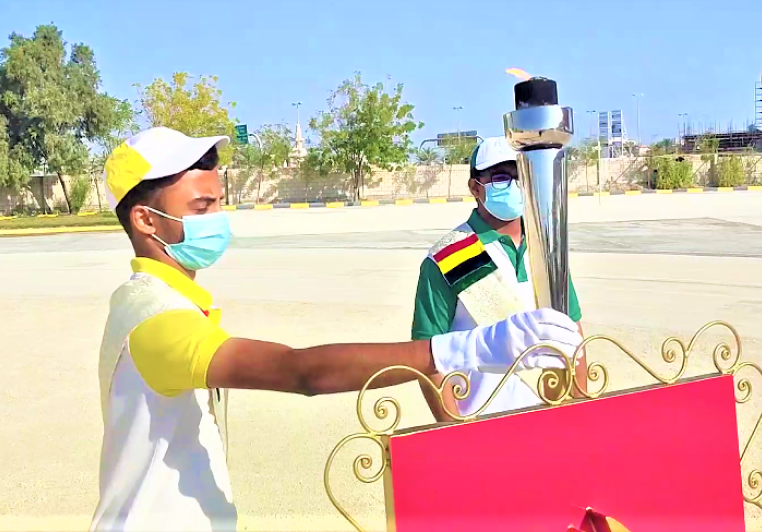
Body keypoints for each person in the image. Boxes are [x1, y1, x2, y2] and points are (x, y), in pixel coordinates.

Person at [91, 126, 582, 532]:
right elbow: (299, 371)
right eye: (202, 209)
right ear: (146, 220)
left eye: (219, 203)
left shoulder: (161, 302)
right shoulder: (155, 320)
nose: (217, 221)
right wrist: (466, 348)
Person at [411, 137, 586, 422]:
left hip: (546, 417)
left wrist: (578, 415)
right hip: (478, 423)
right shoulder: (446, 257)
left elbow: (572, 333)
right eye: (502, 177)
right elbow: (428, 354)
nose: (515, 185)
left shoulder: (545, 250)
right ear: (475, 188)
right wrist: (453, 429)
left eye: (521, 175)